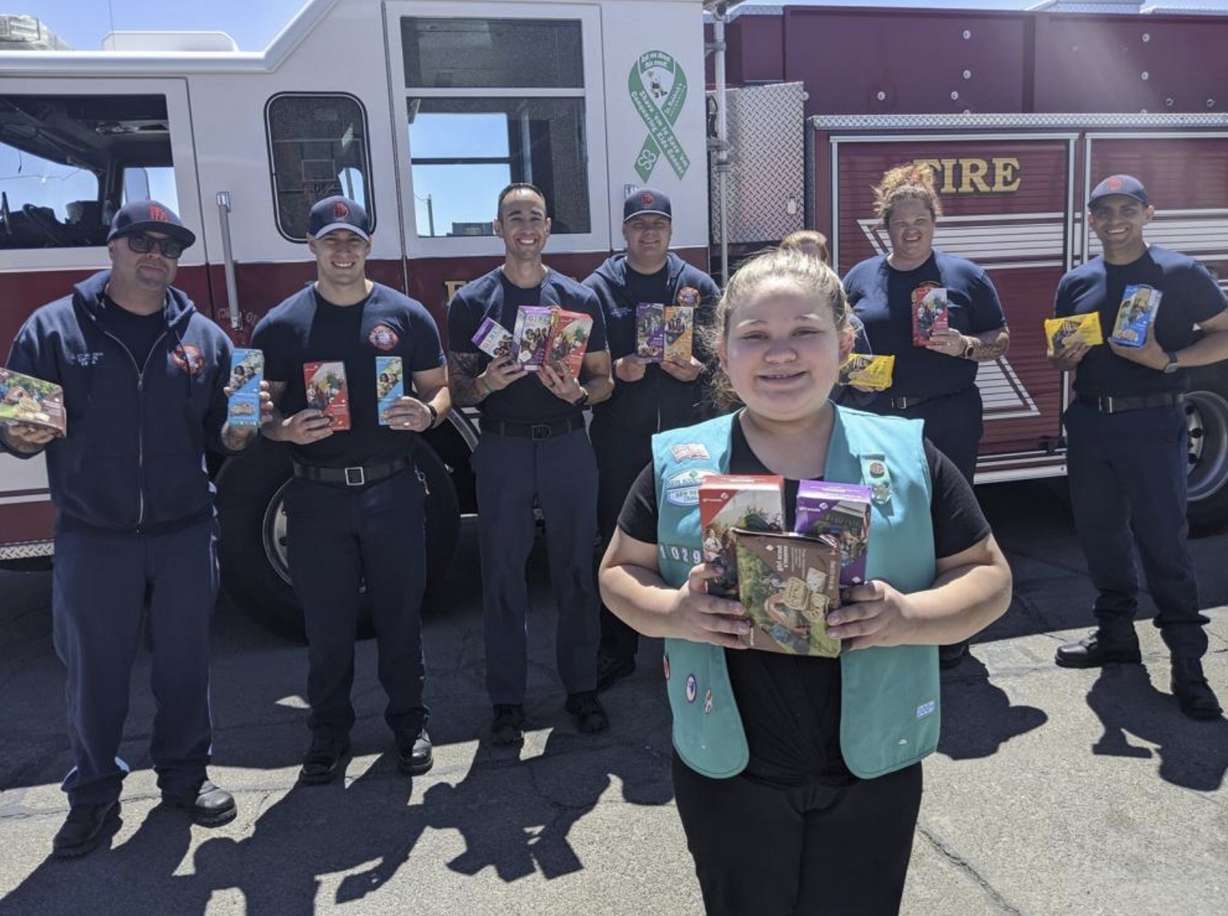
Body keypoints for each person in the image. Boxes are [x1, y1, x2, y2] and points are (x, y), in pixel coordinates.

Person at [598, 248, 1012, 914]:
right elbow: (618, 572)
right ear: (723, 352)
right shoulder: (681, 462)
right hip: (729, 773)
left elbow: (988, 578)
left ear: (844, 343)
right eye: (755, 336)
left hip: (872, 767)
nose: (780, 353)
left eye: (805, 333)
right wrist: (671, 611)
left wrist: (909, 617)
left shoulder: (906, 455)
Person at [1, 200, 267, 858]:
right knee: (95, 675)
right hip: (94, 536)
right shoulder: (53, 328)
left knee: (185, 668)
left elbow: (224, 437)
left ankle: (184, 779)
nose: (158, 256)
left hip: (183, 532)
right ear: (113, 247)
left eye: (170, 248)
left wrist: (242, 428)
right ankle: (92, 795)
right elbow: (18, 429)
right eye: (143, 242)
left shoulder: (205, 338)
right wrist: (16, 431)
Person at [252, 196, 451, 782]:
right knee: (327, 623)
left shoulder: (407, 316)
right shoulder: (282, 324)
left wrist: (430, 414)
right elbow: (254, 409)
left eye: (354, 240)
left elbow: (440, 390)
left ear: (369, 246)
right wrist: (282, 427)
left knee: (399, 617)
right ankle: (329, 734)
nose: (344, 251)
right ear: (310, 247)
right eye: (331, 240)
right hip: (316, 497)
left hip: (392, 490)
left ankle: (409, 724)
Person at [1050, 174, 1228, 720]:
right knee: (1102, 537)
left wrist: (1169, 361)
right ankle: (1115, 635)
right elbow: (1061, 352)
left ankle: (1188, 663)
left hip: (1153, 426)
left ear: (1148, 213)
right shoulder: (1076, 281)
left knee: (1163, 544)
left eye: (1127, 209)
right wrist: (1065, 357)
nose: (1115, 220)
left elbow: (1224, 333)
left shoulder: (1179, 272)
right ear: (1092, 220)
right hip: (1090, 424)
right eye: (1104, 212)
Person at [447, 183, 615, 744]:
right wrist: (484, 383)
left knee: (575, 571)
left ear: (547, 230)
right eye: (514, 216)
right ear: (498, 228)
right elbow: (456, 387)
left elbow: (604, 380)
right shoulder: (471, 302)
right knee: (502, 575)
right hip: (502, 447)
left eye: (535, 217)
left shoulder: (578, 300)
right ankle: (507, 702)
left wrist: (579, 396)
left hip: (568, 443)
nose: (525, 226)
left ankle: (581, 688)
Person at [842, 163, 1010, 669]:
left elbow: (999, 339)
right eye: (900, 222)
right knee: (881, 521)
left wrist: (964, 346)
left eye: (920, 221)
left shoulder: (965, 276)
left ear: (934, 223)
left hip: (946, 417)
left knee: (948, 525)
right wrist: (845, 367)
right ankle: (878, 618)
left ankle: (948, 631)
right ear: (884, 226)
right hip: (877, 420)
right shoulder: (860, 276)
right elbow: (838, 338)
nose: (910, 231)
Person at [583, 187, 720, 691]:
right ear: (623, 232)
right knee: (618, 546)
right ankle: (616, 650)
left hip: (689, 440)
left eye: (657, 225)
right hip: (622, 441)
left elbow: (726, 361)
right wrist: (616, 371)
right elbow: (578, 364)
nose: (648, 233)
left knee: (692, 542)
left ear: (669, 230)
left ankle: (693, 643)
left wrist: (698, 372)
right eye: (639, 225)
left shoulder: (698, 286)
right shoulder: (596, 288)